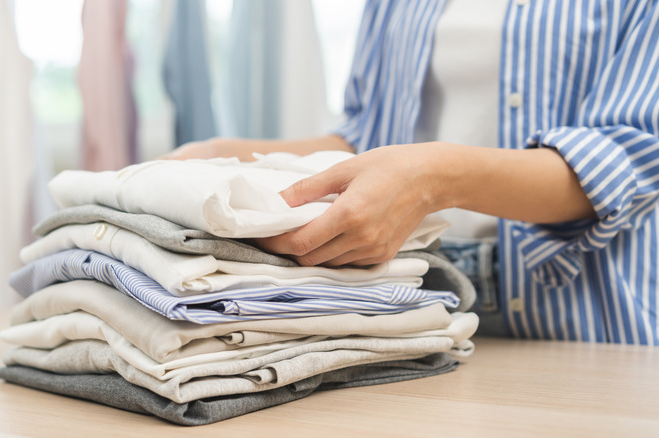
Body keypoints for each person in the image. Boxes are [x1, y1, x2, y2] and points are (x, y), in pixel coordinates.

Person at [164, 0, 659, 345]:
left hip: (581, 314)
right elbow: (368, 139)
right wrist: (219, 155)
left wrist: (437, 179)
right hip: (401, 302)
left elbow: (629, 159)